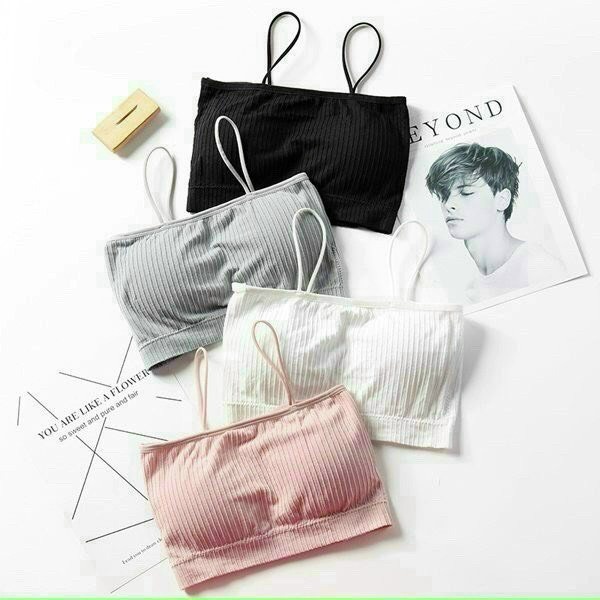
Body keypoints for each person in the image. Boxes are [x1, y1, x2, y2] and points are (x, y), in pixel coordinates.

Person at [426, 143, 564, 302]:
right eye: (444, 195)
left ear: (502, 199)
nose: (448, 204)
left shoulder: (540, 268)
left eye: (466, 192)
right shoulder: (470, 290)